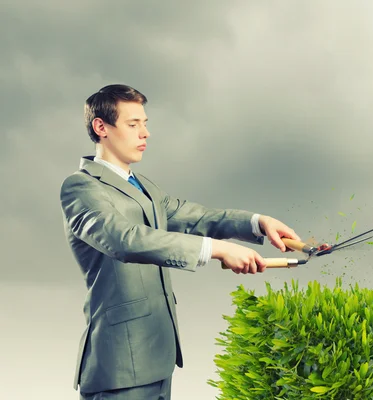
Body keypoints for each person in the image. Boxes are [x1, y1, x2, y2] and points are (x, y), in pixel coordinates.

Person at [59, 84, 301, 399]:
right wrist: (218, 250)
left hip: (158, 357)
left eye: (145, 123)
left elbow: (197, 217)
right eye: (133, 125)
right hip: (119, 366)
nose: (145, 133)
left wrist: (259, 223)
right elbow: (124, 239)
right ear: (101, 127)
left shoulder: (145, 188)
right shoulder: (81, 187)